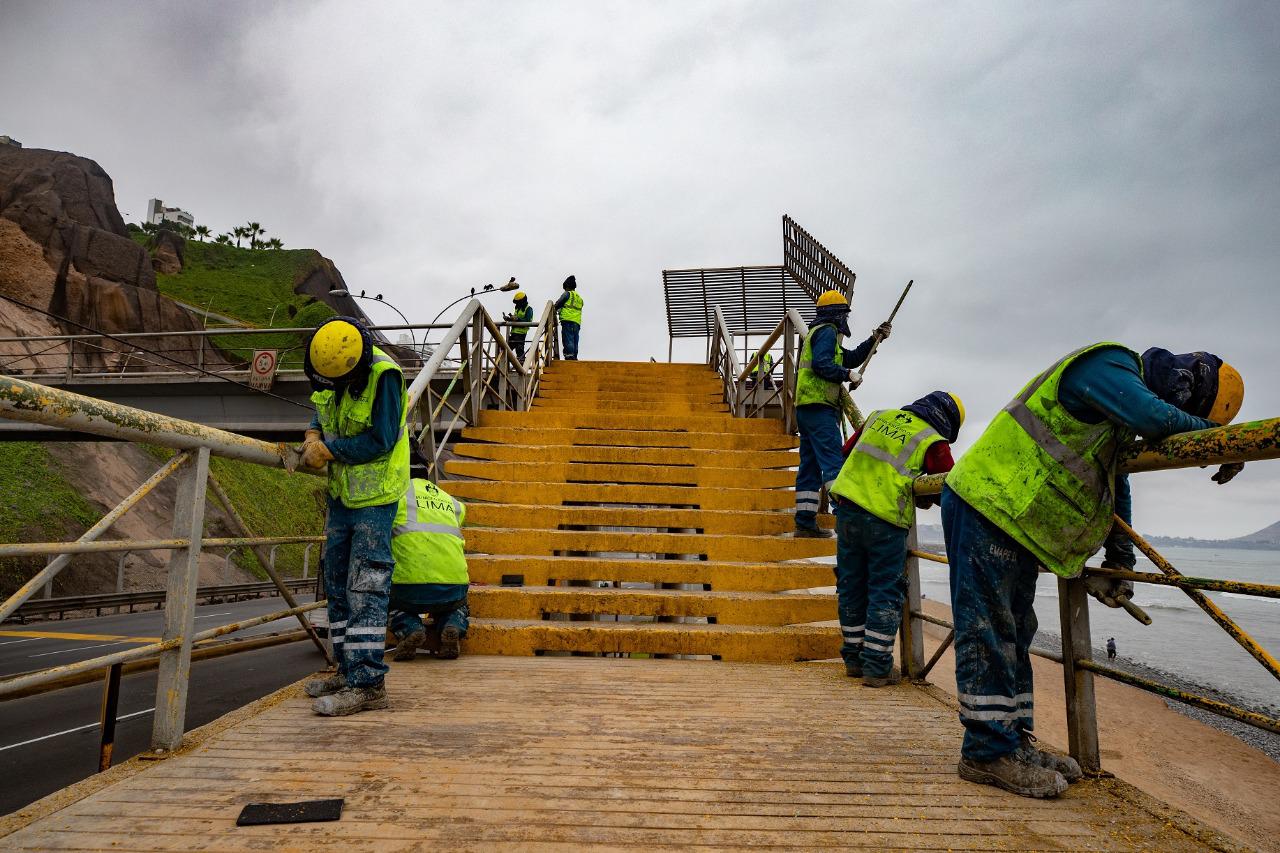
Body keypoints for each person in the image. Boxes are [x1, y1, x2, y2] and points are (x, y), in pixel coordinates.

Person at [942, 344, 1244, 798]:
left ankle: (1013, 742)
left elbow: (1115, 486)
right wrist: (1218, 443)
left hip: (1014, 521)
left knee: (1016, 631)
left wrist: (1120, 560)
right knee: (988, 629)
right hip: (987, 503)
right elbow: (1157, 421)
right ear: (1185, 387)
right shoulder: (1109, 364)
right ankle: (985, 753)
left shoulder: (1115, 416)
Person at [300, 316, 411, 717]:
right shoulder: (332, 372)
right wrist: (312, 436)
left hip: (375, 498)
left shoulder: (384, 377)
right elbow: (321, 412)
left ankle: (368, 683)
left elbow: (381, 439)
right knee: (338, 583)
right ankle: (347, 670)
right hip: (342, 499)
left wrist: (330, 451)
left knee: (366, 586)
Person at [830, 392, 964, 686]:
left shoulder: (880, 416)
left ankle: (853, 658)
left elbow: (845, 451)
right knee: (884, 591)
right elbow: (949, 485)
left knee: (851, 585)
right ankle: (876, 667)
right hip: (885, 518)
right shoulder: (932, 440)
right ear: (949, 424)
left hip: (848, 510)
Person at [793, 290, 891, 538]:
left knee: (810, 466)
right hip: (819, 407)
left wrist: (874, 340)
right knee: (834, 463)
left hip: (807, 408)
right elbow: (823, 365)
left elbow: (850, 357)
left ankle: (804, 521)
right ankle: (846, 519)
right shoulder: (826, 331)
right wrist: (847, 375)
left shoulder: (823, 334)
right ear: (838, 314)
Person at [387, 477, 471, 661]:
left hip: (408, 585)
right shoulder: (452, 502)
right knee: (456, 605)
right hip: (453, 584)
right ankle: (453, 623)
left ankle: (410, 628)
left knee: (388, 602)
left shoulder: (396, 496)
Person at [555, 275, 583, 360]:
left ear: (567, 286)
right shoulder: (579, 298)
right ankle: (574, 356)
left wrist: (555, 308)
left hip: (567, 320)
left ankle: (569, 356)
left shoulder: (567, 294)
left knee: (568, 339)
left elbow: (558, 304)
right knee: (575, 340)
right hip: (577, 322)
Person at [504, 290, 534, 363]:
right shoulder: (517, 308)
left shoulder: (528, 309)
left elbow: (528, 321)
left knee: (519, 350)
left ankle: (521, 369)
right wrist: (509, 318)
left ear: (522, 301)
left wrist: (517, 319)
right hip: (514, 332)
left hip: (521, 333)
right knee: (505, 349)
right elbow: (516, 319)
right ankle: (503, 367)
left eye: (518, 302)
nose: (516, 304)